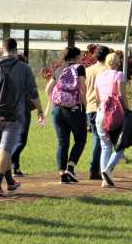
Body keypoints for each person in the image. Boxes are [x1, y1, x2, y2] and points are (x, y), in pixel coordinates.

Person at [0, 38, 43, 198]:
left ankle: (10, 182)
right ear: (16, 49)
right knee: (6, 150)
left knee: (4, 150)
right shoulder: (24, 68)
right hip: (14, 115)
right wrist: (40, 110)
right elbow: (33, 93)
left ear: (2, 48)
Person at [44, 47, 88, 183]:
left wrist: (57, 99)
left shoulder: (58, 69)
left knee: (62, 143)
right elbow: (82, 89)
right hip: (74, 110)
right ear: (76, 57)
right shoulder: (79, 68)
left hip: (58, 110)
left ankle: (62, 174)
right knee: (80, 140)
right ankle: (71, 166)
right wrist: (85, 106)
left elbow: (48, 89)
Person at [94, 50, 127, 187]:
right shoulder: (119, 75)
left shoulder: (100, 77)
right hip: (115, 114)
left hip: (101, 112)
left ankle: (104, 179)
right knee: (121, 145)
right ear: (118, 63)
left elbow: (97, 98)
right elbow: (122, 95)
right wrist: (128, 110)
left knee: (105, 146)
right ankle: (108, 170)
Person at [85, 45, 111, 180]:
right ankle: (95, 169)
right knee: (100, 139)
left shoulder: (88, 70)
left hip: (89, 107)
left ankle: (99, 168)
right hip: (102, 107)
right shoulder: (108, 70)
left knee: (98, 138)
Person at [10, 53, 35, 177]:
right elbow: (33, 91)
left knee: (14, 140)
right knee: (21, 141)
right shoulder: (25, 73)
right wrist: (39, 108)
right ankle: (7, 161)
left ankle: (16, 168)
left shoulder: (10, 73)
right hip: (23, 111)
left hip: (10, 110)